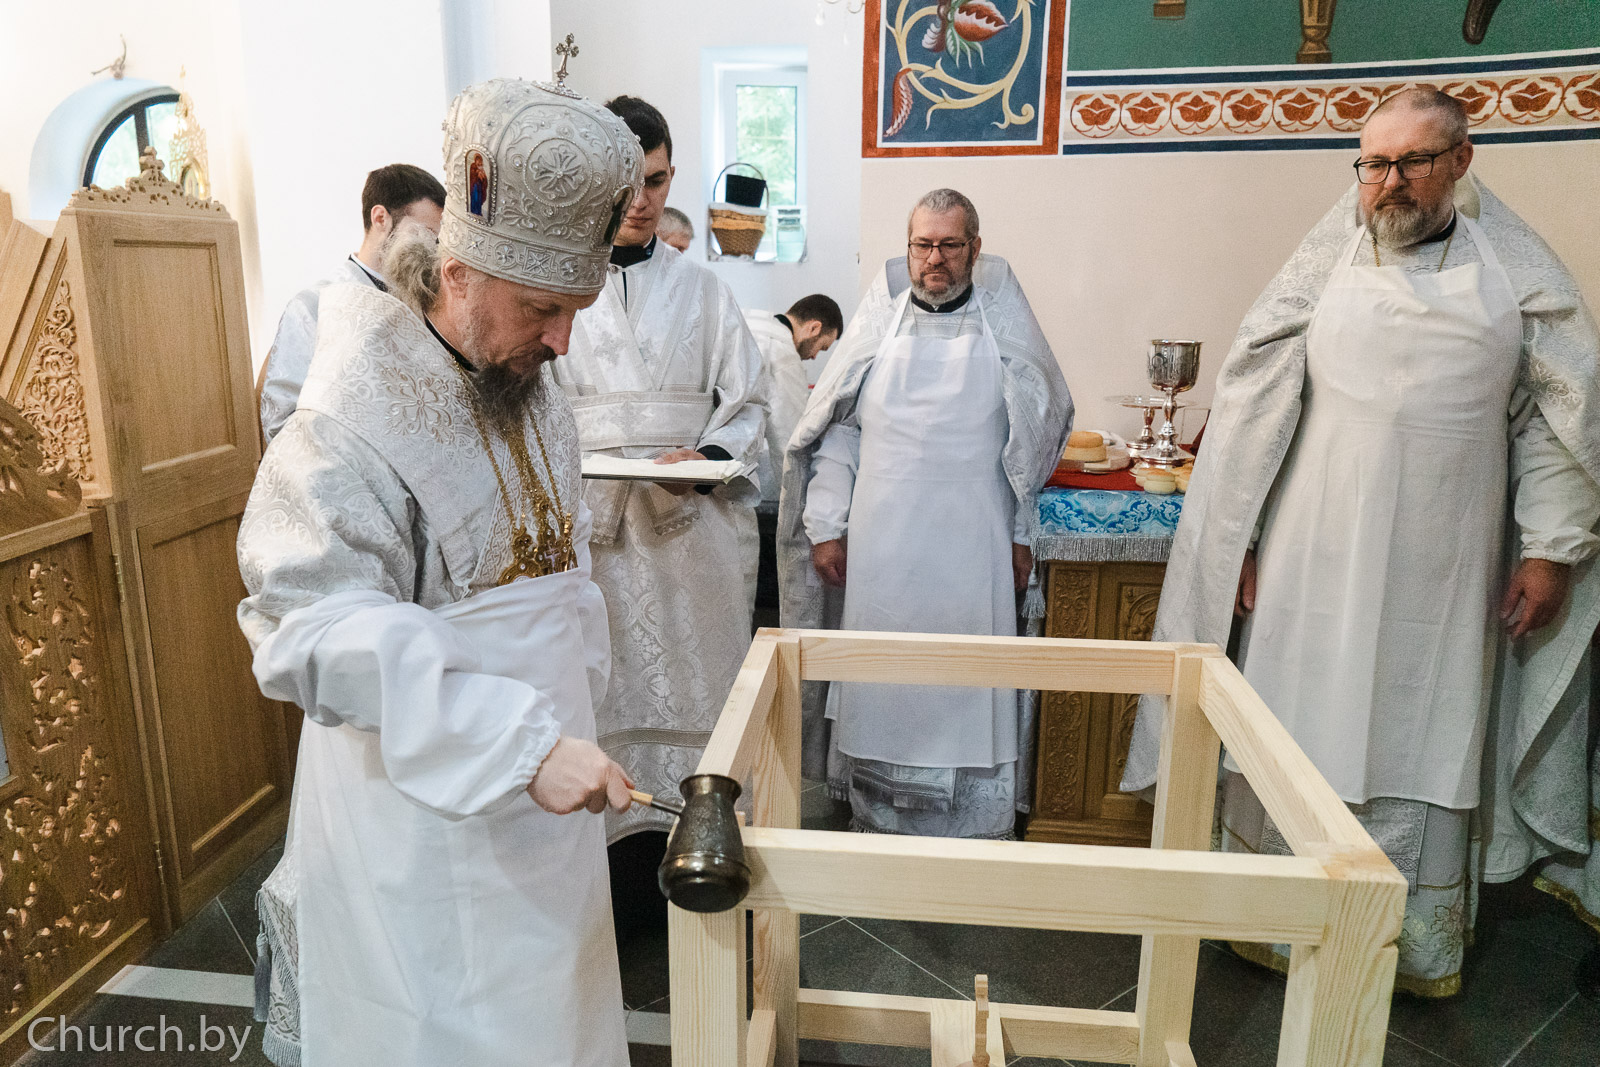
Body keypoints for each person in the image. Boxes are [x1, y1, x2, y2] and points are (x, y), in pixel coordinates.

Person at [1123, 88, 1600, 998]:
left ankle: (1404, 944)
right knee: (1295, 718)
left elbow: (1558, 421)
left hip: (1447, 567)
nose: (1390, 182)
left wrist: (1550, 549)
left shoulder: (1519, 277)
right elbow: (1256, 412)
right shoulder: (1322, 266)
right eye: (1374, 163)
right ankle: (1269, 921)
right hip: (1311, 554)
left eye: (1413, 161)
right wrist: (1239, 538)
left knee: (1424, 729)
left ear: (1460, 162)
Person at [236, 79, 643, 1066]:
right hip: (423, 827)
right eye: (544, 308)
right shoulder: (350, 413)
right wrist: (515, 743)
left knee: (554, 1020)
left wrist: (556, 730)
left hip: (548, 795)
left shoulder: (525, 374)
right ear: (459, 273)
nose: (563, 340)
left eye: (576, 310)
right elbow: (309, 625)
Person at [778, 188, 1073, 839]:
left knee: (967, 677)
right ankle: (880, 816)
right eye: (922, 244)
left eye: (948, 245)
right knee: (885, 679)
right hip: (883, 548)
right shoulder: (876, 327)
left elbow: (1031, 441)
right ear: (907, 248)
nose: (934, 258)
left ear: (974, 248)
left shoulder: (1005, 332)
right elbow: (838, 431)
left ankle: (970, 824)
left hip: (975, 543)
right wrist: (825, 528)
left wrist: (1021, 534)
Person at [551, 95, 767, 934]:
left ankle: (701, 863)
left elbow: (748, 404)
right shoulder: (559, 286)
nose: (643, 201)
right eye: (628, 182)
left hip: (687, 542)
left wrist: (706, 458)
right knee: (598, 704)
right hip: (591, 538)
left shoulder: (705, 292)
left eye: (658, 180)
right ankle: (605, 894)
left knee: (695, 707)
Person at [256, 163, 445, 445]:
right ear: (380, 218)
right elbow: (281, 422)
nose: (432, 251)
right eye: (424, 234)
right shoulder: (314, 306)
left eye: (437, 240)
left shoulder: (426, 304)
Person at [745, 293, 844, 503]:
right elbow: (789, 442)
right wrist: (798, 503)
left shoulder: (749, 319)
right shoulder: (783, 354)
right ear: (814, 328)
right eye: (822, 347)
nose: (815, 356)